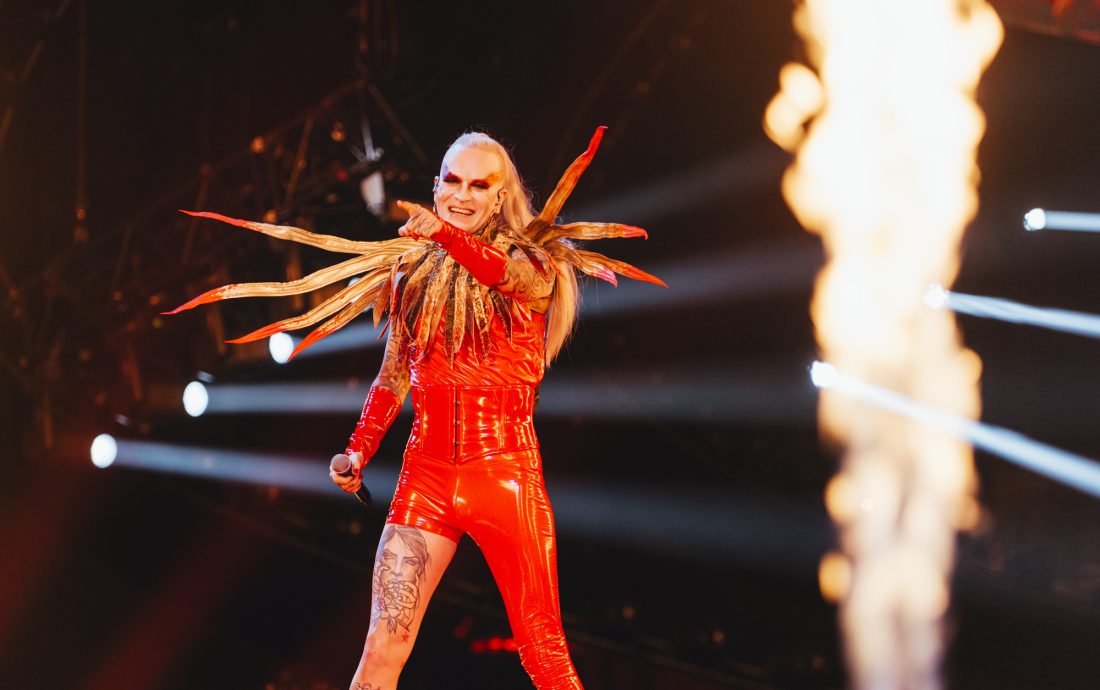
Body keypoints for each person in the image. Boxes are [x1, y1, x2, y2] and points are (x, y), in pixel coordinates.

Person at [167, 127, 662, 690]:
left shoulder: (533, 263)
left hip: (504, 478)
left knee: (543, 653)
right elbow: (395, 373)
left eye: (481, 185)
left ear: (501, 196)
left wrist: (445, 238)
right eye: (453, 180)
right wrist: (357, 449)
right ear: (435, 186)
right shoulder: (413, 271)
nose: (463, 195)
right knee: (382, 646)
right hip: (424, 478)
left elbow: (499, 272)